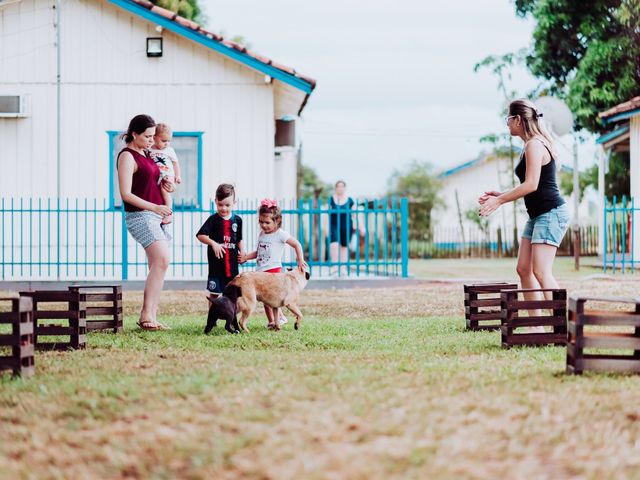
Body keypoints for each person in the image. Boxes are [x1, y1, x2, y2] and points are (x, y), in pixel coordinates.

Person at [478, 99, 570, 328]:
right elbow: (532, 185)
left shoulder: (535, 145)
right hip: (539, 214)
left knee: (540, 270)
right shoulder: (531, 144)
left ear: (518, 119)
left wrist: (499, 200)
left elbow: (531, 185)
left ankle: (564, 328)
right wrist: (501, 194)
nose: (507, 124)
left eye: (508, 119)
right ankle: (537, 326)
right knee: (523, 269)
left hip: (551, 213)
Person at [117, 114, 173, 331]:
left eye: (153, 136)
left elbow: (156, 180)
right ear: (134, 134)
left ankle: (152, 315)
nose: (152, 140)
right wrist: (155, 207)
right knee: (162, 259)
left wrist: (167, 186)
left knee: (157, 265)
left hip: (157, 215)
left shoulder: (148, 154)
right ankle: (145, 315)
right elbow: (126, 194)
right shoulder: (127, 157)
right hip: (140, 215)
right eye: (147, 136)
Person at [242, 199, 308, 329]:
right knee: (265, 299)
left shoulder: (280, 234)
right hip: (261, 271)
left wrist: (300, 259)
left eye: (267, 222)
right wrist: (246, 257)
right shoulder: (262, 234)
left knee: (273, 297)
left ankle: (280, 318)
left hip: (274, 271)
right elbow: (259, 252)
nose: (263, 225)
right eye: (261, 222)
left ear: (277, 221)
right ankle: (272, 321)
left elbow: (296, 244)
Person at [196, 183, 244, 301]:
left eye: (227, 205)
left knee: (233, 295)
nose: (224, 208)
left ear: (234, 202)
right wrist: (214, 243)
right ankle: (212, 319)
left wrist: (242, 252)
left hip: (232, 267)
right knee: (214, 295)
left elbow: (239, 239)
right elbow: (200, 235)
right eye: (220, 204)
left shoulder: (237, 220)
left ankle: (232, 318)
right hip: (216, 267)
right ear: (215, 201)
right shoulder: (213, 219)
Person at [328, 180, 364, 276]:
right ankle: (335, 266)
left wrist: (361, 227)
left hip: (347, 226)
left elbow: (356, 214)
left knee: (344, 247)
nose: (340, 188)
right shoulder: (331, 199)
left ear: (344, 188)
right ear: (336, 188)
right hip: (334, 225)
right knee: (334, 245)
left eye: (342, 186)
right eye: (338, 186)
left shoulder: (350, 200)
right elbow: (326, 213)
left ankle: (343, 268)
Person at [149, 123, 181, 224]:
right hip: (155, 176)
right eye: (163, 141)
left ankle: (169, 213)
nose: (167, 143)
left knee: (165, 191)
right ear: (154, 137)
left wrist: (178, 175)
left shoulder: (170, 150)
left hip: (167, 175)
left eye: (169, 141)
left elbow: (176, 163)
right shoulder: (149, 149)